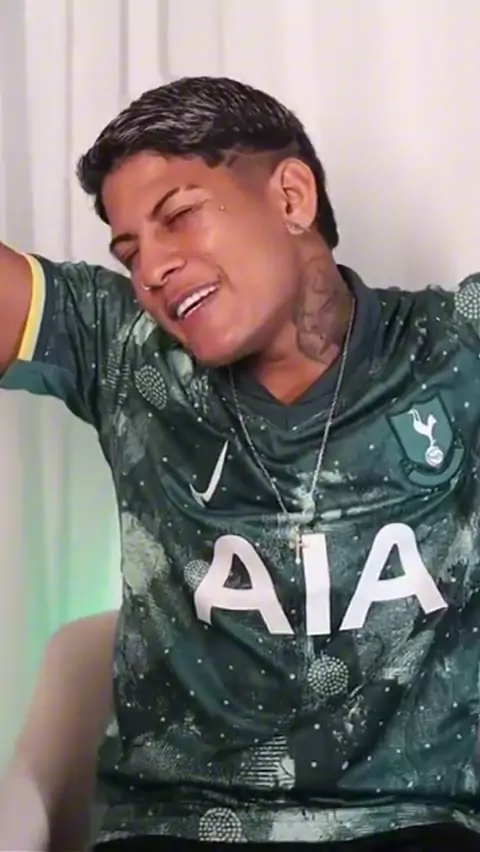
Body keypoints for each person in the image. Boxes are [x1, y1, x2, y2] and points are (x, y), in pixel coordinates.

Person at [1, 75, 480, 851]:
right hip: (176, 825)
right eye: (130, 252)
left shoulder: (455, 347)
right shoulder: (121, 347)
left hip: (412, 821)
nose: (151, 270)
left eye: (178, 216)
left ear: (291, 196)